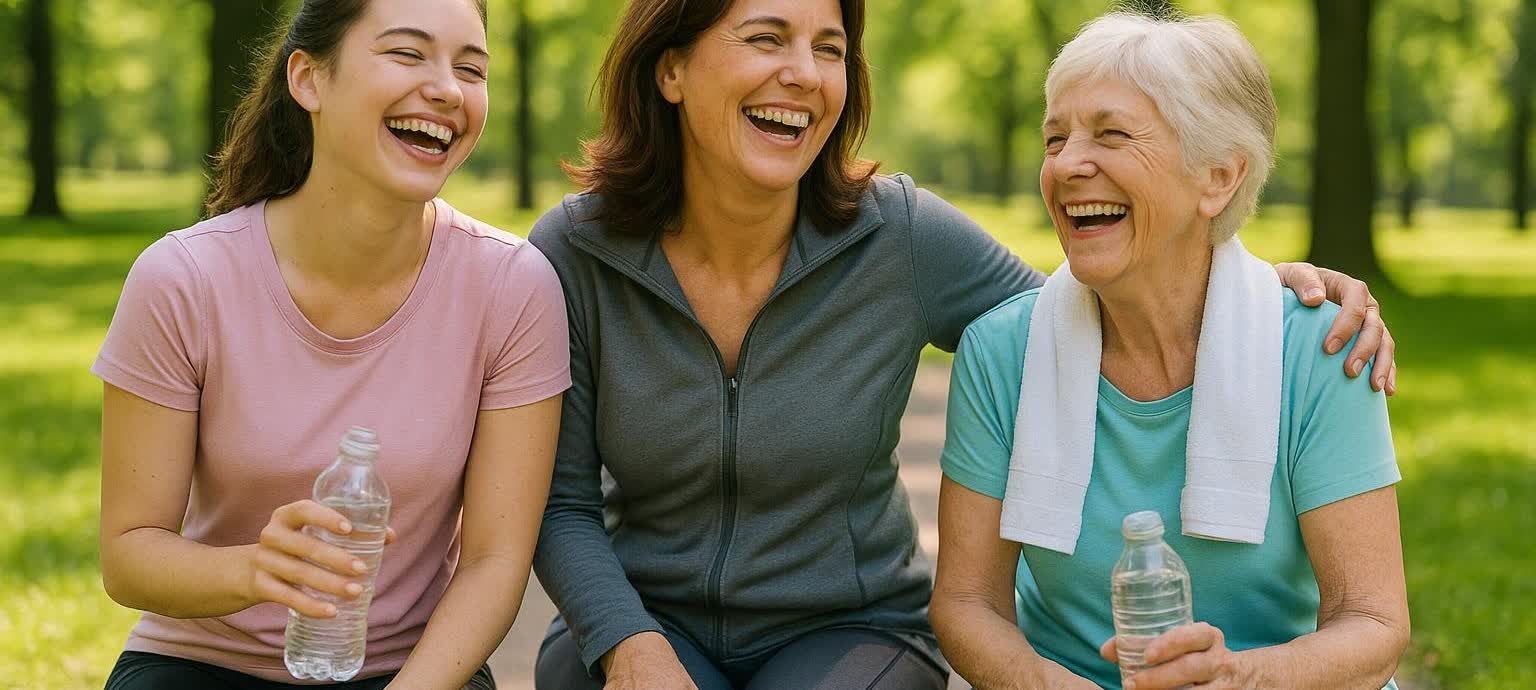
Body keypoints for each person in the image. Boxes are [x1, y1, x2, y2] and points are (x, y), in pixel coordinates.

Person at [528, 0, 1397, 688]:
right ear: (670, 66)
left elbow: (1098, 302)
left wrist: (1257, 293)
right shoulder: (576, 253)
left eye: (830, 47)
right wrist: (628, 643)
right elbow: (559, 502)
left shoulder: (897, 238)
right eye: (766, 37)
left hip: (845, 627)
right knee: (584, 671)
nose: (802, 73)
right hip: (650, 613)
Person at [95, 1, 570, 688]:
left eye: (471, 68)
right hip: (200, 664)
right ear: (309, 79)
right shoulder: (183, 280)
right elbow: (129, 554)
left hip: (411, 672)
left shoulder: (512, 288)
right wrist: (254, 569)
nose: (446, 88)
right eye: (407, 54)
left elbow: (495, 562)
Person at [930, 12, 1408, 690]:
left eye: (1112, 134)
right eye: (1055, 138)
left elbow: (1374, 624)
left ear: (1217, 177)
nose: (1067, 164)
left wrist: (1236, 679)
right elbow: (967, 603)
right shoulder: (1002, 351)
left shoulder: (1321, 347)